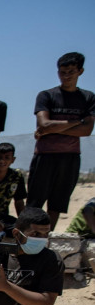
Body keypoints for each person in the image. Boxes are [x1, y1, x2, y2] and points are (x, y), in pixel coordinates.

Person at [28, 52, 94, 229]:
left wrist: (54, 127)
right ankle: (27, 238)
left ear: (80, 71)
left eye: (71, 71)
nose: (66, 76)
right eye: (62, 72)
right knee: (34, 202)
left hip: (70, 156)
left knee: (57, 204)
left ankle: (47, 236)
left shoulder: (87, 98)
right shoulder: (47, 96)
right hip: (45, 155)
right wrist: (77, 122)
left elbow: (87, 130)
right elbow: (44, 124)